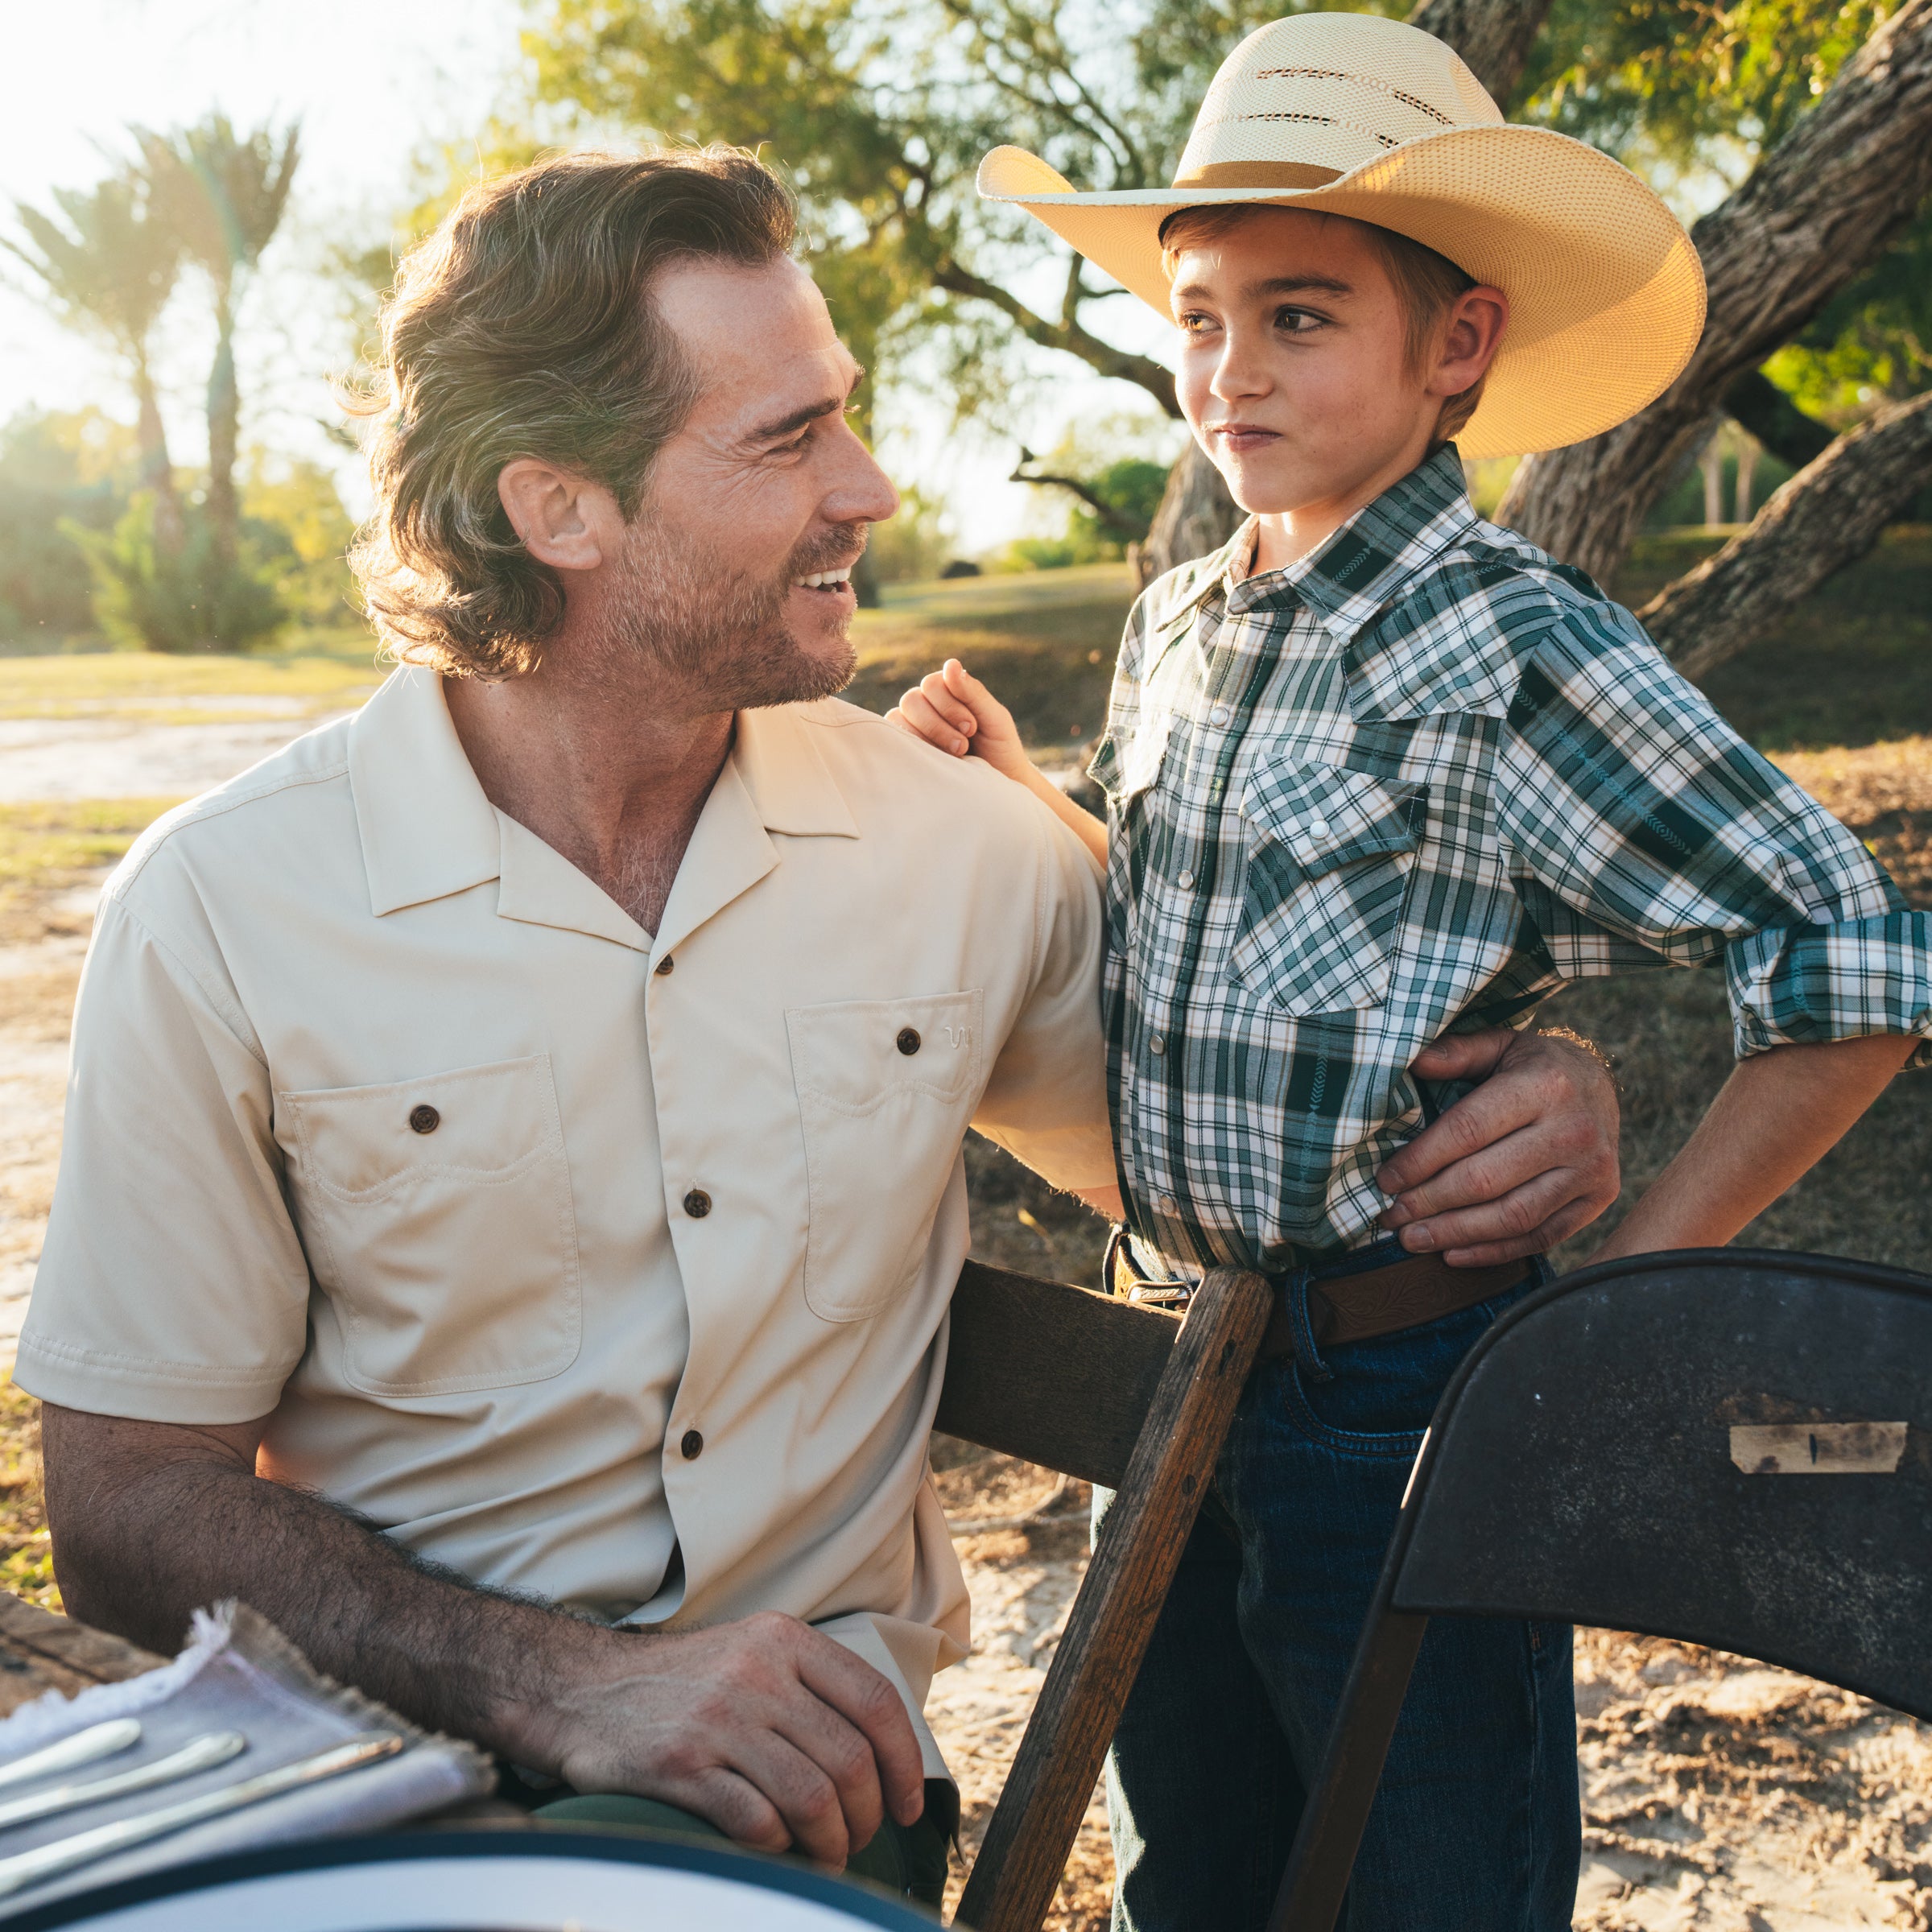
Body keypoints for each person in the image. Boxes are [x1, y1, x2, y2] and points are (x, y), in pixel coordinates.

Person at [20, 147, 1620, 1912]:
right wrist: (556, 1682)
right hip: (342, 1778)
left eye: (842, 416)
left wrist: (1528, 1080)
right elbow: (121, 1501)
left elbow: (1243, 1117)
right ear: (560, 508)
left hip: (780, 1812)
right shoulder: (229, 903)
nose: (867, 488)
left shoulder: (962, 854)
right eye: (786, 442)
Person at [889, 14, 1932, 1930]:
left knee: (1422, 1873)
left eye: (1300, 316)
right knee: (1191, 1862)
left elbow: (1851, 955)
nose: (1229, 366)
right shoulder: (1186, 621)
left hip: (1395, 1393)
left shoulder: (1510, 641)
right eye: (1200, 316)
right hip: (1168, 1357)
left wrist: (1611, 1296)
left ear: (1455, 350)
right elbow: (1197, 922)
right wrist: (1030, 808)